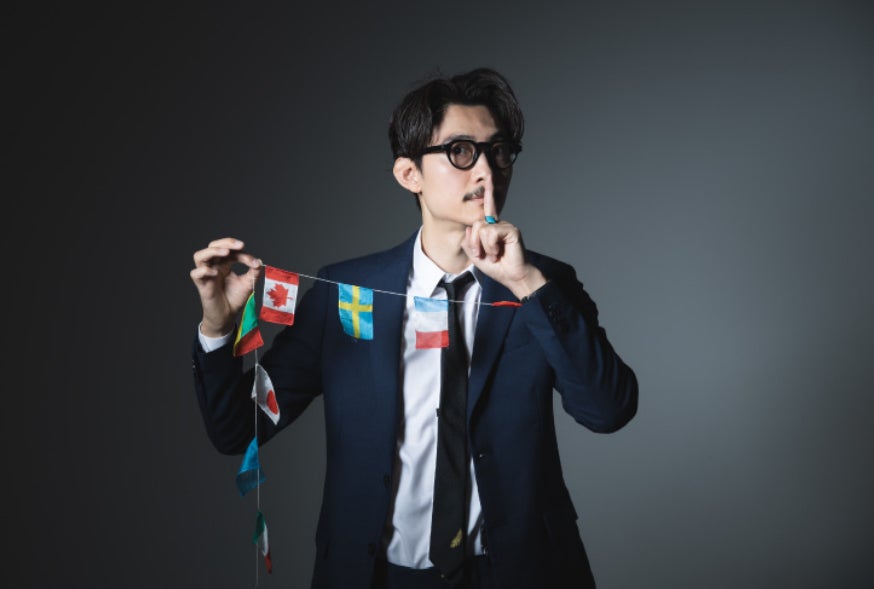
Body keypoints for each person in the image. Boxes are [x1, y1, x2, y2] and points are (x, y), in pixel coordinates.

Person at [190, 67, 638, 589]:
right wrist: (218, 325)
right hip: (377, 576)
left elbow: (608, 411)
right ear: (409, 174)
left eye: (498, 151)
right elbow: (238, 430)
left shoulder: (544, 285)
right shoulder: (344, 293)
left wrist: (527, 284)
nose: (486, 170)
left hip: (517, 572)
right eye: (461, 151)